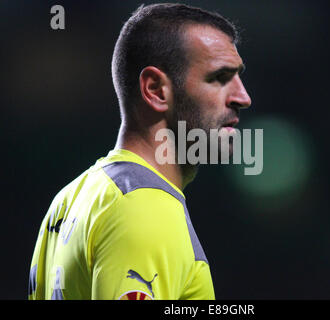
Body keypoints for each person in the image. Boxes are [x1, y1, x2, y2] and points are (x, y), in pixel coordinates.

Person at [28, 3, 251, 300]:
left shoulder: (70, 199)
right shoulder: (146, 206)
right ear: (156, 90)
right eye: (219, 78)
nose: (243, 97)